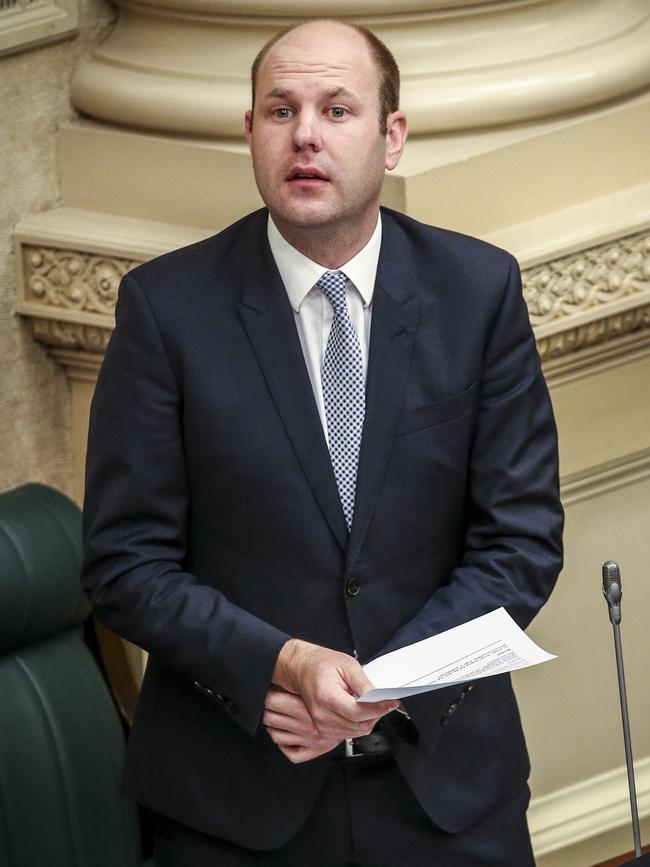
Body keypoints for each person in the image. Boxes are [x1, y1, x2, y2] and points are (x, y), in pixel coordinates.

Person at [81, 18, 564, 867]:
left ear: (392, 136)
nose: (305, 133)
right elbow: (125, 563)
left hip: (447, 794)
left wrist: (385, 686)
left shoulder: (478, 292)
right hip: (235, 804)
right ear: (251, 134)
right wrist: (280, 663)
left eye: (338, 109)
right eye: (280, 110)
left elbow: (520, 538)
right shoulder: (164, 311)